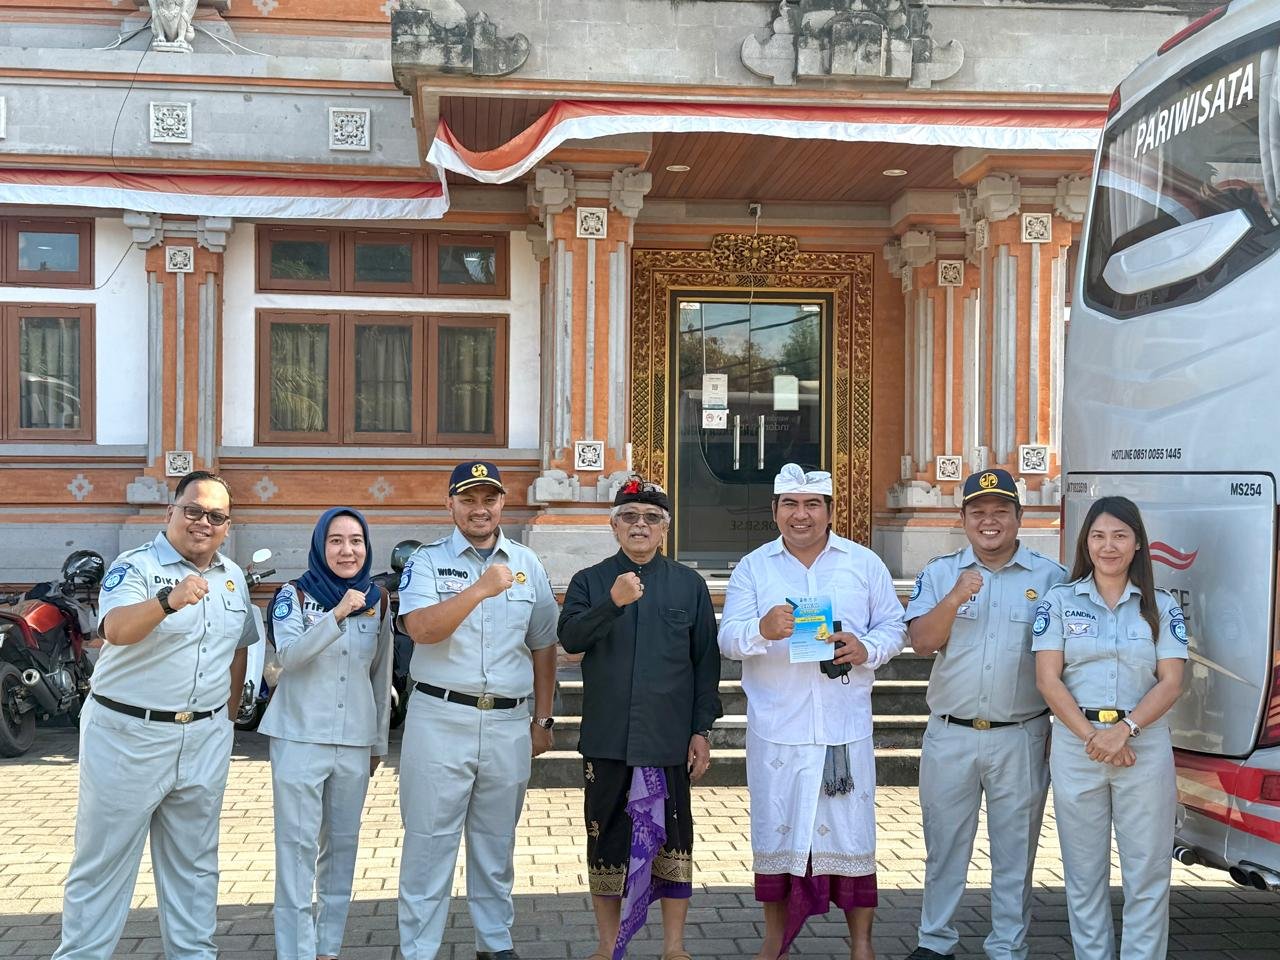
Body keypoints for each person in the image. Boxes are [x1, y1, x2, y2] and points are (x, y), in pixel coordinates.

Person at [53, 470, 259, 960]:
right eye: (193, 510)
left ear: (227, 526)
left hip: (204, 738)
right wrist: (168, 601)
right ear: (171, 512)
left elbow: (237, 650)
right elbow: (115, 629)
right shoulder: (136, 566)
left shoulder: (232, 577)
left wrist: (226, 722)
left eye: (216, 516)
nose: (203, 522)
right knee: (103, 865)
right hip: (128, 735)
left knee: (196, 867)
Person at [719, 463, 907, 960]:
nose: (800, 515)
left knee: (852, 838)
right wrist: (761, 629)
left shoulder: (863, 563)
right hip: (777, 728)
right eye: (790, 504)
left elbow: (894, 626)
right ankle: (774, 941)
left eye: (811, 505)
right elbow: (728, 638)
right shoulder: (754, 568)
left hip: (842, 728)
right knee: (777, 836)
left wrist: (866, 648)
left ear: (829, 511)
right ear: (774, 511)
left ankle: (861, 945)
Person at [396, 460, 560, 960]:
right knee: (429, 842)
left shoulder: (527, 563)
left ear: (502, 503)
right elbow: (421, 629)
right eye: (467, 499)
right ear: (450, 504)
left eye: (489, 499)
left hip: (508, 721)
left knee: (496, 843)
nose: (479, 509)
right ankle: (419, 950)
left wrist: (543, 719)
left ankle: (494, 943)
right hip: (440, 718)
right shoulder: (426, 561)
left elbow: (544, 644)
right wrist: (481, 588)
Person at [902, 469, 1066, 960]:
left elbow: (1066, 664)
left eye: (1000, 511)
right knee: (944, 845)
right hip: (950, 733)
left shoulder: (1052, 579)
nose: (989, 521)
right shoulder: (940, 573)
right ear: (963, 519)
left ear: (1020, 516)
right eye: (978, 512)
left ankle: (1008, 947)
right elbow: (921, 641)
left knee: (1016, 850)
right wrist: (955, 597)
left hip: (1021, 733)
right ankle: (935, 942)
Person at [559, 477, 722, 960]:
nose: (640, 525)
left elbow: (705, 664)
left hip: (668, 739)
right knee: (605, 843)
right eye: (629, 517)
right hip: (608, 738)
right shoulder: (590, 581)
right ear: (614, 527)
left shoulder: (689, 585)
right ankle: (607, 945)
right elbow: (570, 639)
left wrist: (701, 731)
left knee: (674, 845)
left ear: (664, 529)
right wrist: (613, 602)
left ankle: (674, 947)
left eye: (652, 518)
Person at [1032, 496, 1188, 960]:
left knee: (1147, 874)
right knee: (1083, 875)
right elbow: (1048, 680)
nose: (1108, 546)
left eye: (1120, 535)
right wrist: (1093, 737)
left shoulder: (1161, 606)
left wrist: (1125, 730)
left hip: (1144, 747)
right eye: (1098, 536)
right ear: (1087, 543)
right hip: (1078, 746)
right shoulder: (1060, 601)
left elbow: (1172, 681)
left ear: (1138, 543)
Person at [259, 507, 393, 960]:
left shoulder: (378, 599)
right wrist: (336, 614)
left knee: (342, 847)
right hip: (299, 736)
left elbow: (380, 675)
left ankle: (327, 948)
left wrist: (378, 743)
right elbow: (289, 656)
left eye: (356, 541)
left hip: (354, 741)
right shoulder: (293, 595)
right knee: (296, 848)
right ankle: (295, 951)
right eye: (336, 541)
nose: (347, 550)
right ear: (320, 546)